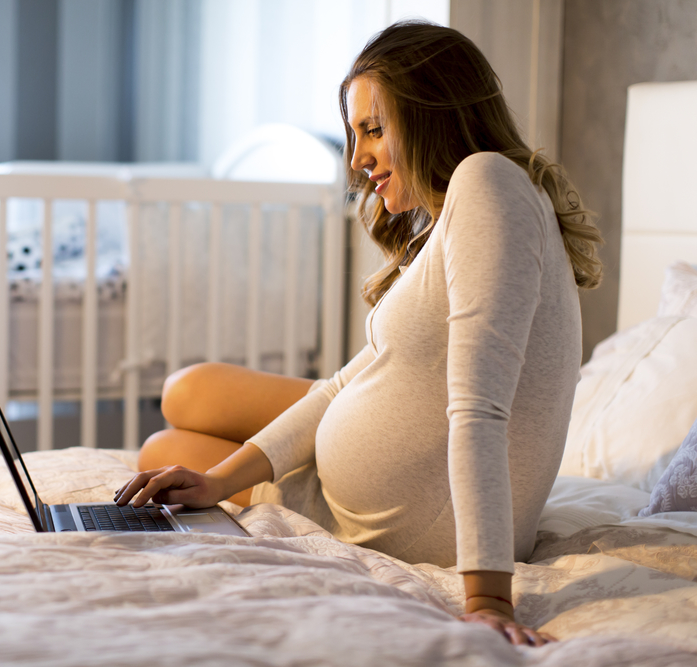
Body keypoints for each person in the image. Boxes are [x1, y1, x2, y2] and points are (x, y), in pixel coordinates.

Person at [115, 21, 603, 647]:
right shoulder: (468, 206)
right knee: (185, 399)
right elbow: (352, 380)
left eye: (373, 129)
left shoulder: (487, 183)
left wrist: (487, 597)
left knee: (162, 446)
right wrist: (217, 484)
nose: (356, 159)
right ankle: (226, 474)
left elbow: (482, 407)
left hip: (398, 520)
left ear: (436, 115)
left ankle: (257, 478)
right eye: (355, 133)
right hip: (384, 477)